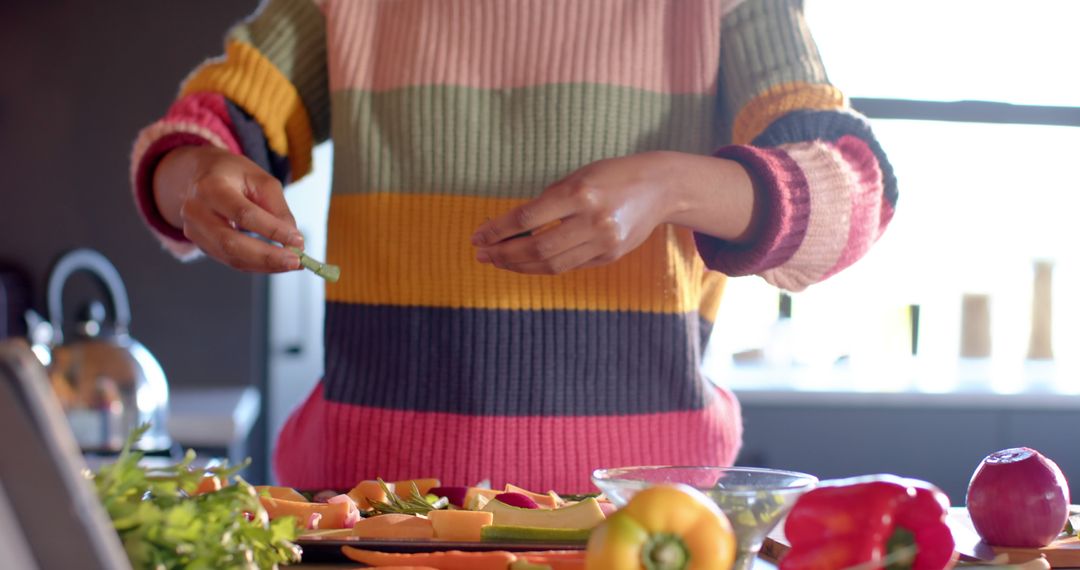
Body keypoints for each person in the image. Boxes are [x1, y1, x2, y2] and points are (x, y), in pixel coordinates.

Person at [130, 0, 896, 493]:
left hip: (639, 526)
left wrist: (672, 186)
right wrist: (192, 174)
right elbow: (207, 128)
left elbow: (856, 188)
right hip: (364, 519)